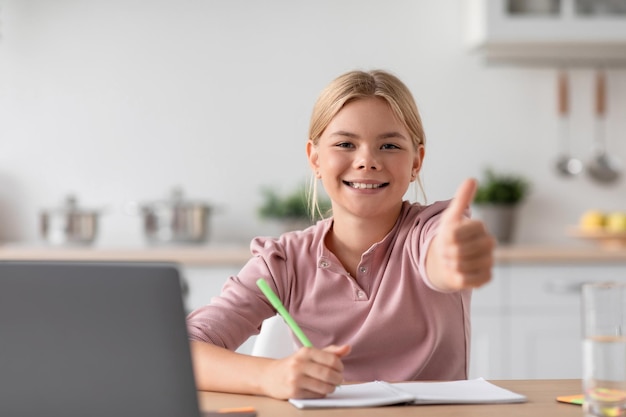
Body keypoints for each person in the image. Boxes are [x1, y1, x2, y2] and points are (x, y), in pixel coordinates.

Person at [186, 69, 495, 401]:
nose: (367, 161)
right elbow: (185, 350)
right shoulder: (283, 260)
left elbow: (439, 258)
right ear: (315, 158)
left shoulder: (432, 229)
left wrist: (452, 257)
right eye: (346, 144)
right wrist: (269, 376)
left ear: (416, 162)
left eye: (389, 145)